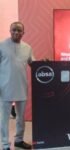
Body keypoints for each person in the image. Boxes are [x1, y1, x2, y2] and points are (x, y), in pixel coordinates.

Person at [0, 21, 34, 150]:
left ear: (23, 33)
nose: (16, 32)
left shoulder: (28, 48)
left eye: (19, 30)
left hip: (21, 87)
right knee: (4, 119)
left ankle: (19, 140)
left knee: (21, 118)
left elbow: (33, 64)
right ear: (10, 31)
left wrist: (44, 64)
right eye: (14, 30)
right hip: (4, 88)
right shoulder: (1, 46)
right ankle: (4, 144)